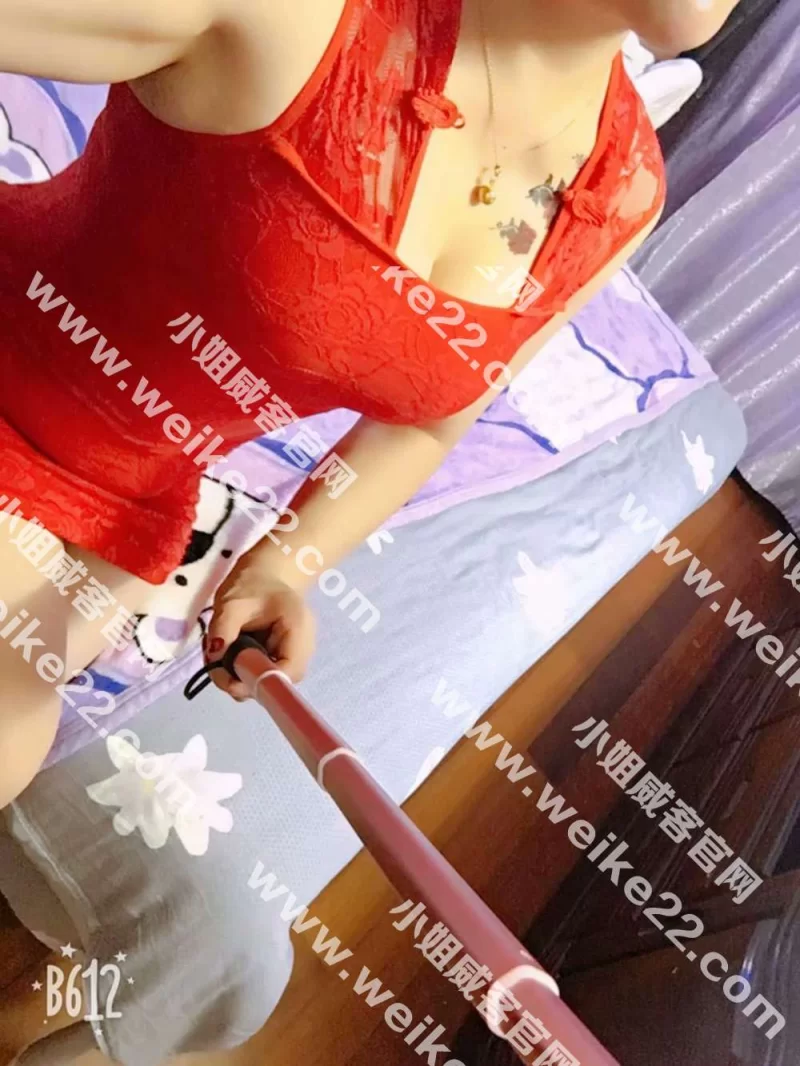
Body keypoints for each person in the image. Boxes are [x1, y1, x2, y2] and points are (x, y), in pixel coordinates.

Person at [0, 0, 740, 815]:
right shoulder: (305, 17)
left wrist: (283, 565)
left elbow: (429, 419)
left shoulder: (622, 189)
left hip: (126, 509)